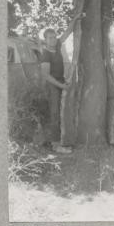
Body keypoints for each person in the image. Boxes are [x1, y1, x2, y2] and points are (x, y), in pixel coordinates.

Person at [40, 14, 82, 151]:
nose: (53, 39)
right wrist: (61, 86)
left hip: (60, 83)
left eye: (54, 37)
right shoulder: (45, 54)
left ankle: (59, 140)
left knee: (62, 112)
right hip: (53, 86)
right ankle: (55, 145)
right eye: (50, 38)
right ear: (45, 40)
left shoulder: (57, 46)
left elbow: (67, 33)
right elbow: (46, 75)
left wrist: (74, 19)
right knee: (55, 114)